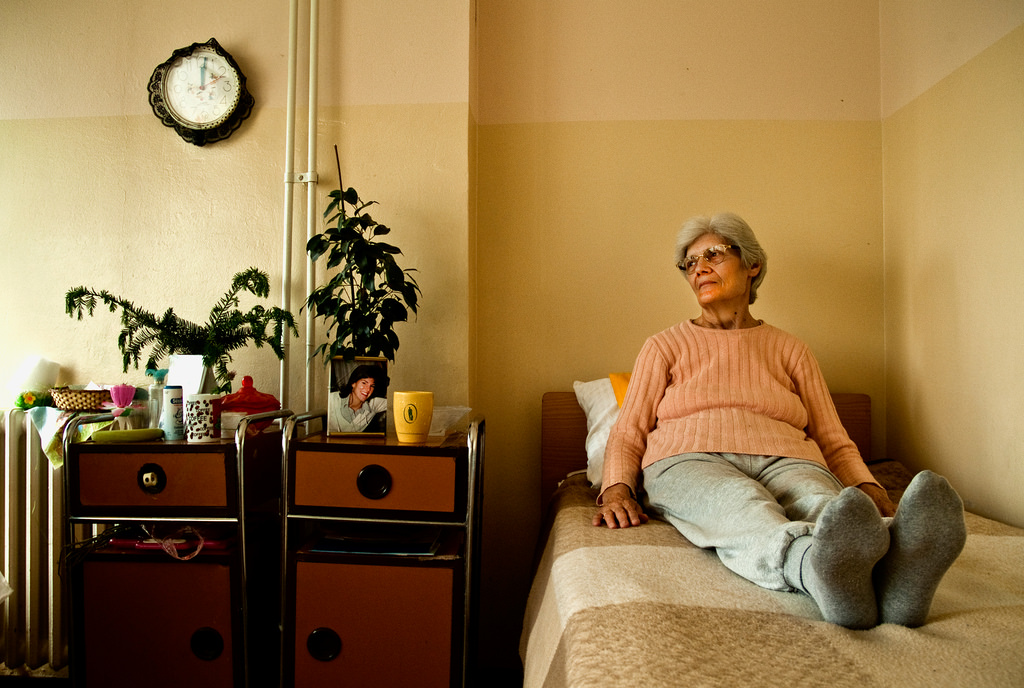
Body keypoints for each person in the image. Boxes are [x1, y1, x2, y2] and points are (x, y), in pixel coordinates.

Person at [593, 212, 966, 629]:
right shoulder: (664, 346)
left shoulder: (791, 349)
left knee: (832, 509)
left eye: (713, 254)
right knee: (740, 506)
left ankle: (899, 581)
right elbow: (628, 430)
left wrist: (868, 489)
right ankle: (813, 570)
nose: (699, 268)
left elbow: (830, 434)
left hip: (788, 457)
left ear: (753, 265)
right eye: (690, 263)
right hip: (689, 458)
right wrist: (617, 489)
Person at [329, 364, 388, 433]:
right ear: (353, 383)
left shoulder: (373, 404)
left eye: (372, 386)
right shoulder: (333, 399)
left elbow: (398, 401)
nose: (368, 389)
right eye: (364, 383)